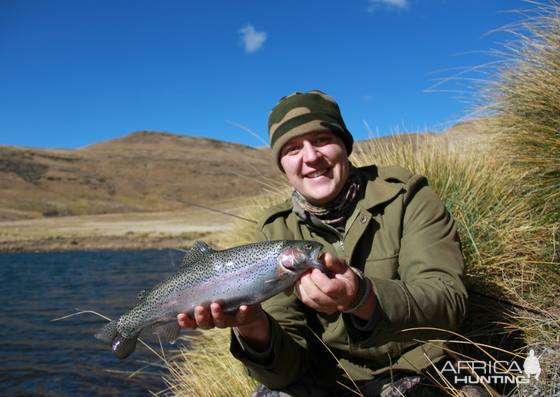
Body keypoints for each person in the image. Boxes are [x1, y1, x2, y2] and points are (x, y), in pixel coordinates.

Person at [177, 90, 471, 396]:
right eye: (292, 149)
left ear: (344, 144)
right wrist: (252, 326)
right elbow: (285, 372)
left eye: (321, 140)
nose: (311, 157)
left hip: (419, 369)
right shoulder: (274, 229)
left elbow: (450, 302)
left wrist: (363, 296)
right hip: (328, 382)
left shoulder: (407, 197)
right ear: (283, 165)